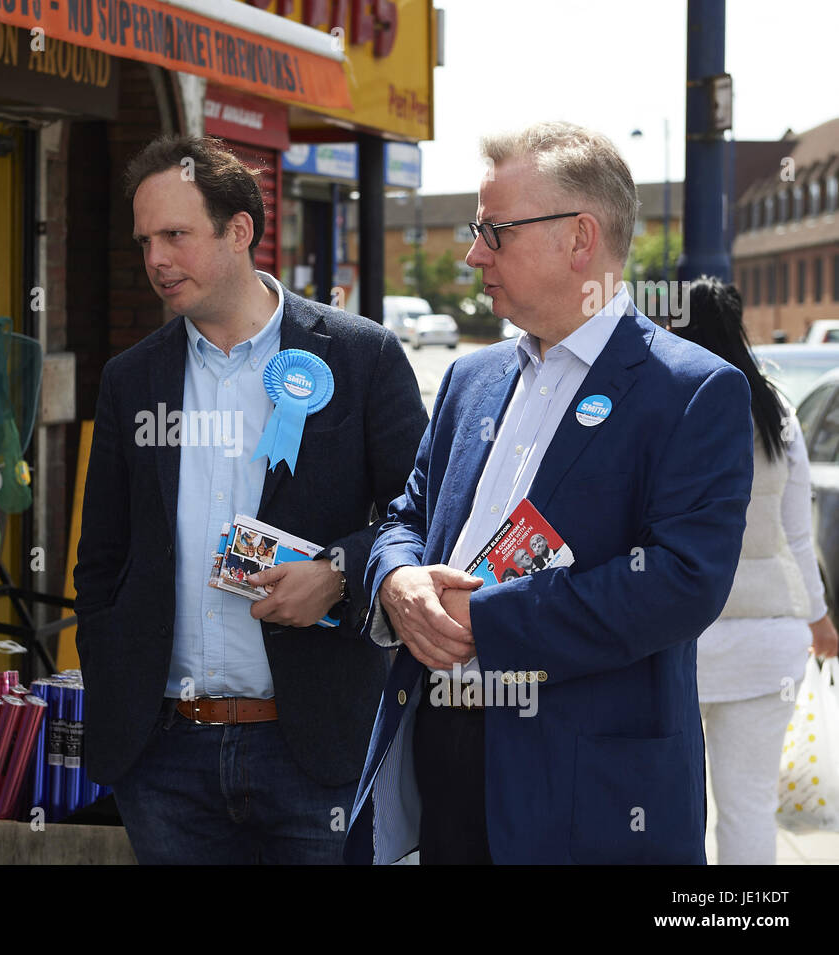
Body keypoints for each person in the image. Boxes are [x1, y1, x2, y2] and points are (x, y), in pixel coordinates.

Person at [344, 122, 754, 865]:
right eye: (476, 230)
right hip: (447, 758)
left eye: (494, 232)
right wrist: (399, 579)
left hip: (586, 794)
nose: (473, 254)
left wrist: (485, 619)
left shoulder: (692, 391)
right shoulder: (472, 378)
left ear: (580, 238)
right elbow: (406, 515)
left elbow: (681, 583)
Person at [73, 135, 427, 864]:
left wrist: (338, 571)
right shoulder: (131, 379)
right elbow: (101, 557)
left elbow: (421, 514)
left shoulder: (362, 357)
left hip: (314, 748)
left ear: (240, 231)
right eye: (144, 241)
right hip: (165, 757)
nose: (155, 260)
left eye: (175, 235)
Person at [671, 276, 839, 864]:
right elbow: (799, 533)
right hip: (770, 638)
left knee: (671, 808)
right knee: (748, 810)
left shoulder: (667, 399)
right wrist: (819, 618)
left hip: (680, 638)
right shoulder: (774, 407)